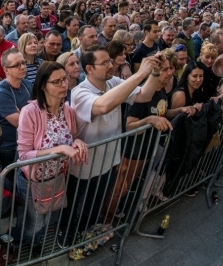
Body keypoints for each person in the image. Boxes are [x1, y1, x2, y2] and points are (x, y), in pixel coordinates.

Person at [67, 47, 159, 235]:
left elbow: (145, 95)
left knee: (95, 205)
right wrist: (141, 73)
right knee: (75, 208)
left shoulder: (113, 82)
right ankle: (68, 238)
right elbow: (104, 106)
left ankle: (87, 236)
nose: (111, 65)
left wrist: (154, 73)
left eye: (110, 61)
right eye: (105, 63)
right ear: (89, 68)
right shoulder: (79, 92)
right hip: (84, 166)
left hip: (108, 161)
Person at [15, 61, 87, 247]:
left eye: (65, 79)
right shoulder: (29, 112)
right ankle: (25, 245)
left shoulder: (68, 111)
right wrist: (58, 149)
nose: (64, 85)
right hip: (32, 181)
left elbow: (73, 137)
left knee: (47, 219)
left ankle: (36, 242)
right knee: (35, 222)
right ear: (42, 86)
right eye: (56, 82)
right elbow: (23, 155)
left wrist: (77, 142)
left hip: (56, 178)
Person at [0, 48, 32, 166]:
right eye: (17, 65)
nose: (23, 67)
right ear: (6, 70)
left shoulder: (27, 84)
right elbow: (20, 123)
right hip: (9, 148)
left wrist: (22, 113)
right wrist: (29, 113)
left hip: (28, 143)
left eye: (23, 63)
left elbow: (40, 111)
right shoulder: (1, 93)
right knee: (13, 183)